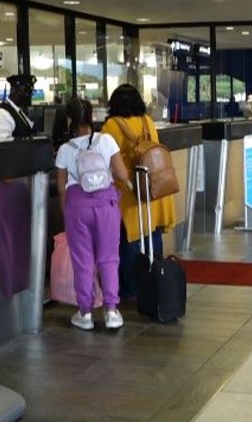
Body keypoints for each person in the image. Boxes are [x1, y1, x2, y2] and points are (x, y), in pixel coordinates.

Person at [55, 97, 131, 330]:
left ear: (69, 119)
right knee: (108, 258)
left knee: (83, 260)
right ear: (91, 117)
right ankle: (111, 311)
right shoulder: (106, 140)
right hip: (105, 205)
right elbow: (120, 173)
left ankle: (85, 313)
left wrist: (66, 212)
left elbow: (60, 187)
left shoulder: (65, 149)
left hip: (77, 206)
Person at [100, 84, 177, 299]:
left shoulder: (112, 126)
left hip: (129, 192)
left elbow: (103, 158)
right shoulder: (148, 121)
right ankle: (155, 280)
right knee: (152, 234)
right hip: (153, 188)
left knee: (130, 240)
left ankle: (132, 289)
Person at [0, 74, 37, 142]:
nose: (28, 96)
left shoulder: (19, 111)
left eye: (30, 93)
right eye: (25, 91)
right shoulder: (1, 113)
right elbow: (1, 145)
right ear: (13, 90)